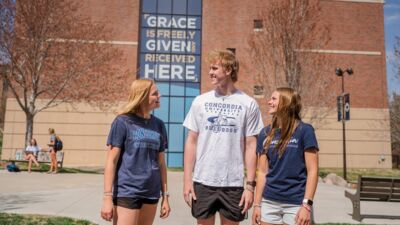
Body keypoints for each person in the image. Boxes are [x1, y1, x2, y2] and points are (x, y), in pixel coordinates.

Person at [183, 50, 264, 225]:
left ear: (228, 70)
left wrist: (250, 186)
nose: (210, 72)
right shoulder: (200, 101)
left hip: (233, 183)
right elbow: (191, 141)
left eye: (214, 68)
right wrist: (187, 180)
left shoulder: (248, 103)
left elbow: (251, 146)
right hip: (203, 181)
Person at [100, 79, 170, 225]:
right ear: (142, 96)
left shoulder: (159, 125)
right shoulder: (122, 122)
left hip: (151, 192)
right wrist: (107, 197)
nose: (159, 96)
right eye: (155, 93)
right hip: (127, 191)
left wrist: (165, 196)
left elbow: (161, 164)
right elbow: (111, 161)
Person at [252, 87, 319, 225]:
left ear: (286, 102)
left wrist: (306, 205)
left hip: (296, 203)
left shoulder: (305, 131)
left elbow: (313, 171)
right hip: (269, 202)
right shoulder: (265, 133)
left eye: (274, 99)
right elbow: (262, 172)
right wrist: (257, 205)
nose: (269, 102)